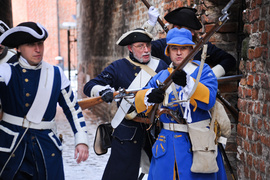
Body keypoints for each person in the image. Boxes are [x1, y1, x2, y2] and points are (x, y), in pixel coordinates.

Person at [134, 28, 227, 179]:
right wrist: (150, 96)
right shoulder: (162, 76)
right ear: (168, 51)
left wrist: (188, 83)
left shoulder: (203, 72)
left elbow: (209, 101)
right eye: (174, 48)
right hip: (167, 144)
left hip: (197, 144)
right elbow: (139, 102)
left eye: (183, 48)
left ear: (191, 50)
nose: (178, 53)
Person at [0, 21, 89, 180]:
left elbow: (73, 109)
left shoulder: (55, 73)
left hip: (46, 148)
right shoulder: (5, 71)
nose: (37, 49)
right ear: (18, 48)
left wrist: (81, 140)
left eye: (40, 44)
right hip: (12, 148)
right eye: (30, 44)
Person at [83, 28, 168, 180]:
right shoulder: (118, 67)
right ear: (130, 48)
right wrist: (103, 91)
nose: (146, 50)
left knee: (161, 173)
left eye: (148, 45)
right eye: (140, 46)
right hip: (128, 129)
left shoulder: (160, 65)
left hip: (155, 129)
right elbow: (90, 85)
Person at [144, 6, 236, 78]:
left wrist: (208, 77)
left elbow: (229, 61)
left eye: (193, 30)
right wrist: (150, 25)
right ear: (176, 28)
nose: (192, 34)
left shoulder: (202, 46)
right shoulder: (163, 45)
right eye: (189, 29)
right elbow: (137, 52)